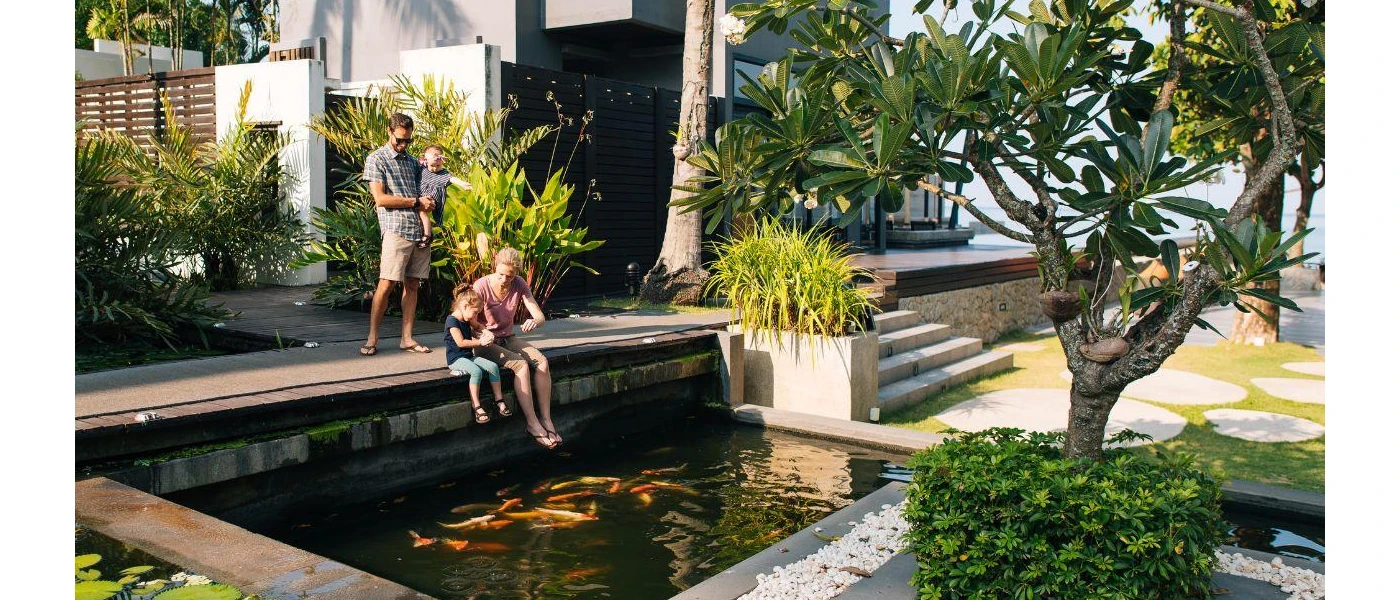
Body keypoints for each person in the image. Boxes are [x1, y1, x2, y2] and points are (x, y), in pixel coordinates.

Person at [361, 112, 436, 356]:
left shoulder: (413, 162)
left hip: (419, 230)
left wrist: (430, 202)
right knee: (387, 283)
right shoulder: (377, 159)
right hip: (396, 228)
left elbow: (425, 189)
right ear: (389, 132)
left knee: (413, 284)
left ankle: (407, 338)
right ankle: (372, 337)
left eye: (408, 141)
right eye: (399, 140)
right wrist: (416, 202)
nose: (403, 145)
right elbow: (380, 199)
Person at [472, 248, 561, 449]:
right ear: (495, 267)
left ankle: (546, 419)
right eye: (501, 274)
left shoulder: (519, 284)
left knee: (542, 362)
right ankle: (532, 423)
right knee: (520, 364)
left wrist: (534, 321)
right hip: (485, 342)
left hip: (508, 338)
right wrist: (483, 332)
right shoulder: (481, 285)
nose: (504, 279)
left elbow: (539, 316)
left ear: (516, 274)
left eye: (509, 276)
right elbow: (469, 320)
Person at [444, 284, 511, 425]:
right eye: (475, 312)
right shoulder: (452, 321)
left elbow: (478, 326)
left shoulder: (467, 317)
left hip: (468, 356)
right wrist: (480, 342)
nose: (476, 316)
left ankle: (499, 400)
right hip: (456, 359)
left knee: (493, 366)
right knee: (476, 371)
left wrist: (487, 332)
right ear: (464, 306)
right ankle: (476, 405)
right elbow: (461, 343)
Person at [414, 145, 452, 249]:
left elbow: (450, 178)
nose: (435, 169)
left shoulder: (443, 174)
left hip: (429, 196)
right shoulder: (422, 165)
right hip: (420, 194)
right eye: (433, 166)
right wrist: (432, 158)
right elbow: (420, 160)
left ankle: (427, 235)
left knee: (422, 212)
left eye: (438, 166)